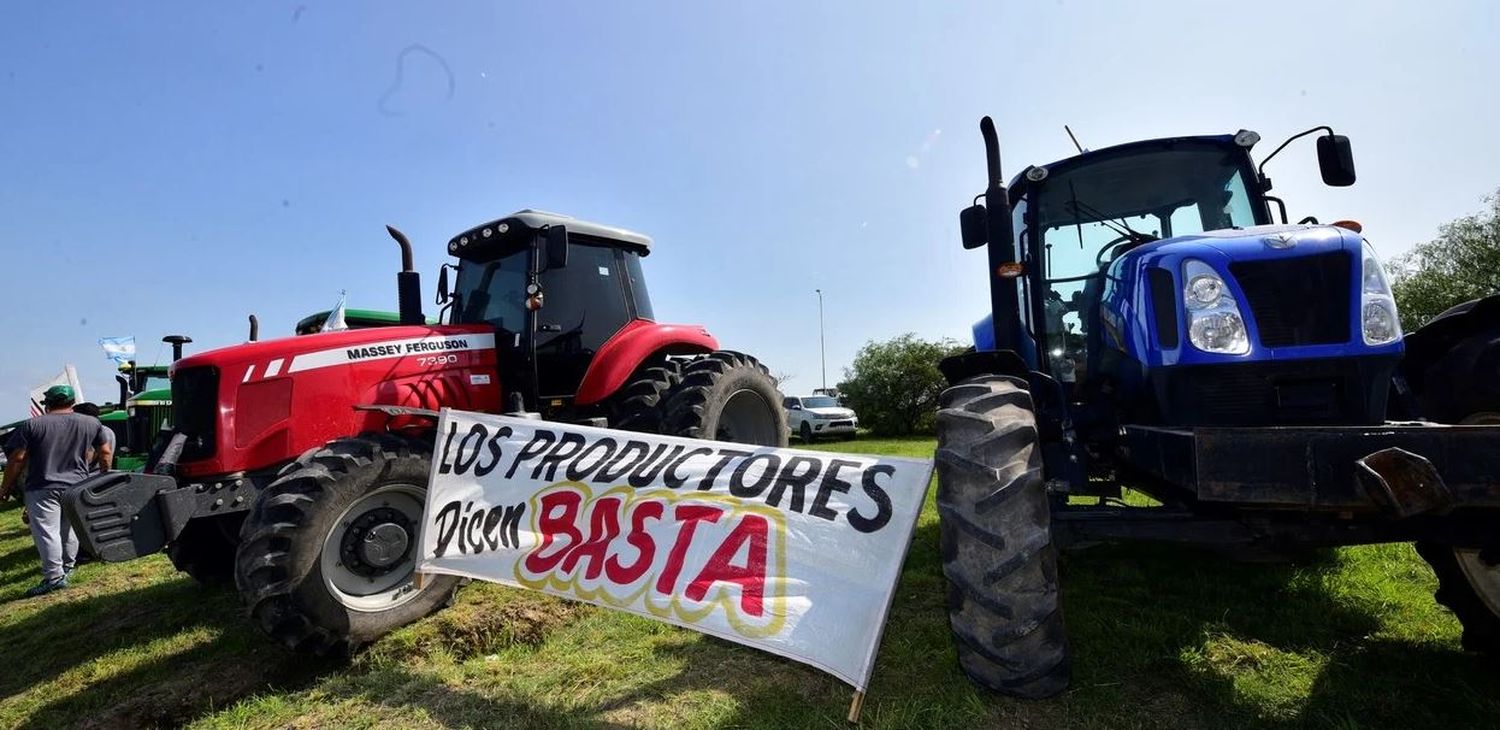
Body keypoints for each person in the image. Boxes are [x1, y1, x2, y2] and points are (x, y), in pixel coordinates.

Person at [0, 385, 112, 597]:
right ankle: (67, 568)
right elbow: (105, 452)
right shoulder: (91, 422)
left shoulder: (32, 425)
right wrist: (104, 477)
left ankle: (54, 576)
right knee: (69, 528)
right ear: (72, 402)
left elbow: (17, 458)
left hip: (42, 486)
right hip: (77, 484)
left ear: (47, 404)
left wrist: (5, 487)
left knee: (47, 531)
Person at [71, 402, 115, 476]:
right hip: (100, 476)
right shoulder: (108, 431)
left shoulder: (89, 432)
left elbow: (89, 457)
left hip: (86, 478)